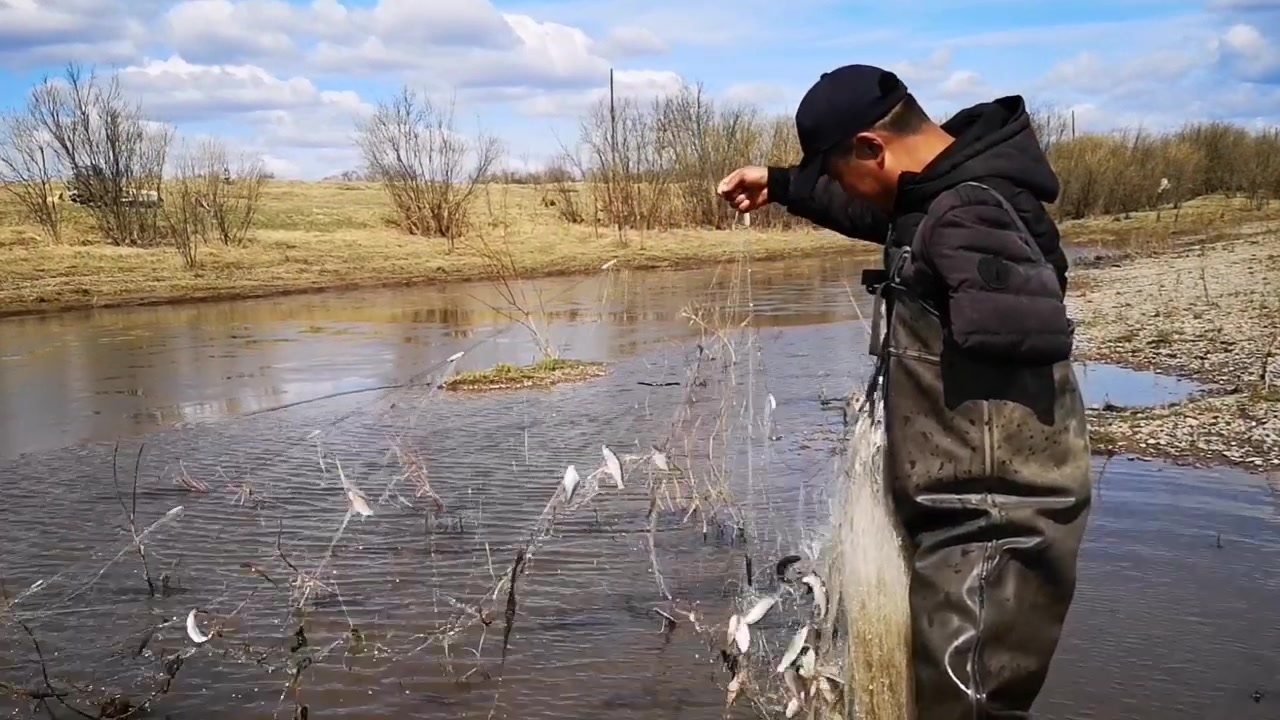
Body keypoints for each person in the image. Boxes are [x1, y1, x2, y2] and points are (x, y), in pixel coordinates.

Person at [718, 65, 1092, 718]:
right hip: (955, 527)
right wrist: (782, 185)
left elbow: (1021, 432)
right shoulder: (944, 198)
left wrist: (987, 556)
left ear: (871, 147)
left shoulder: (967, 216)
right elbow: (872, 209)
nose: (842, 191)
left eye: (836, 172)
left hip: (989, 540)